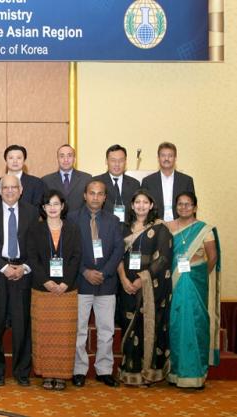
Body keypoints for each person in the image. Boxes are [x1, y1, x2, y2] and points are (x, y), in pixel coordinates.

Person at [68, 180, 124, 388]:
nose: (95, 197)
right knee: (79, 330)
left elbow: (118, 249)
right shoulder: (72, 218)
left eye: (100, 194)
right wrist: (85, 271)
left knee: (106, 330)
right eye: (91, 193)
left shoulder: (113, 220)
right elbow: (71, 251)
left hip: (106, 283)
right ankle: (79, 370)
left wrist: (105, 272)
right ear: (84, 195)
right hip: (81, 282)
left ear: (105, 197)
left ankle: (104, 370)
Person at [0, 175, 38, 387]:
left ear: (21, 189)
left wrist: (24, 268)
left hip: (23, 272)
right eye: (5, 187)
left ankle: (21, 371)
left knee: (22, 324)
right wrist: (4, 267)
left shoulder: (33, 212)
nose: (9, 191)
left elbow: (36, 245)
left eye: (13, 187)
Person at [26, 190, 82, 390]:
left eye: (56, 204)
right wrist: (46, 281)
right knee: (44, 334)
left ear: (63, 206)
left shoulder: (73, 229)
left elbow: (77, 257)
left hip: (67, 292)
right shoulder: (35, 229)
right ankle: (47, 375)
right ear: (43, 208)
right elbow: (32, 257)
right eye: (48, 204)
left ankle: (61, 375)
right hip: (43, 291)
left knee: (64, 335)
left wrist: (66, 282)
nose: (52, 207)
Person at [117, 189, 172, 386]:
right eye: (137, 202)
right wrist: (123, 279)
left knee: (147, 326)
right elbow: (116, 255)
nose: (141, 205)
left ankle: (148, 371)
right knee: (130, 327)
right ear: (132, 206)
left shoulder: (160, 228)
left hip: (150, 285)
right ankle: (130, 371)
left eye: (145, 202)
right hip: (126, 285)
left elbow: (164, 257)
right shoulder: (123, 228)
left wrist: (142, 279)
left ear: (151, 205)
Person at [166, 192, 220, 389]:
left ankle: (194, 374)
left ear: (195, 207)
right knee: (176, 325)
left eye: (188, 205)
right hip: (174, 284)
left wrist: (194, 276)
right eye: (180, 204)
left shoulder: (204, 230)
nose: (184, 208)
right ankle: (175, 373)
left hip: (194, 285)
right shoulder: (169, 227)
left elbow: (212, 257)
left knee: (193, 325)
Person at [141, 142, 195, 221]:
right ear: (158, 158)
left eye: (170, 156)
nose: (166, 159)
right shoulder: (148, 182)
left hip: (181, 225)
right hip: (155, 226)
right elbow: (143, 208)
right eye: (163, 155)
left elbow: (192, 207)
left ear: (175, 158)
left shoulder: (186, 181)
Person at [94, 144, 140, 224]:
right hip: (103, 229)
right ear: (106, 161)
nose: (117, 164)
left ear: (125, 161)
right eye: (113, 160)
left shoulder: (135, 184)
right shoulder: (96, 182)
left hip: (128, 231)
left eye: (121, 160)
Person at [41, 144, 92, 212]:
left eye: (69, 156)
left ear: (74, 159)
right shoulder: (46, 180)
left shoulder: (86, 178)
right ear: (57, 159)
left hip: (79, 221)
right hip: (56, 221)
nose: (66, 159)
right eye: (62, 156)